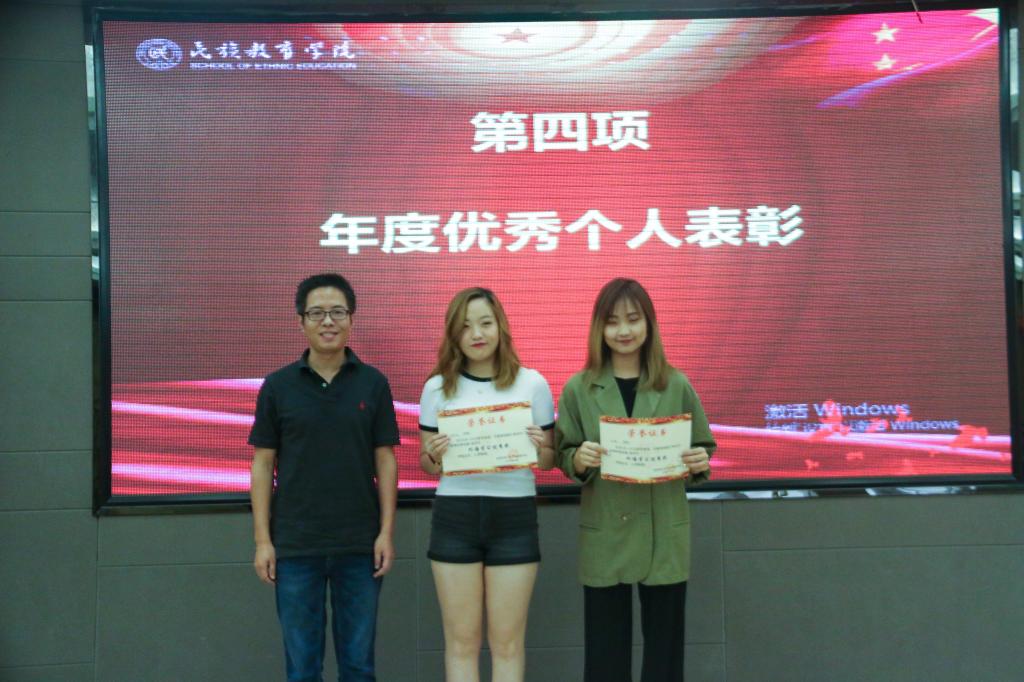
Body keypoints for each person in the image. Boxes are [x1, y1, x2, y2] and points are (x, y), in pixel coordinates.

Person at [555, 278, 715, 682]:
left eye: (633, 319)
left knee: (665, 654)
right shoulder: (579, 388)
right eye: (612, 321)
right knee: (605, 654)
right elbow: (563, 452)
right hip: (606, 531)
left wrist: (698, 460)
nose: (623, 330)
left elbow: (702, 445)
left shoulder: (675, 383)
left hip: (663, 530)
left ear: (649, 324)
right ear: (599, 328)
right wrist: (578, 459)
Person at [249, 273, 399, 682]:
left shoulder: (373, 383)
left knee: (359, 667)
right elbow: (262, 464)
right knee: (302, 669)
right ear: (301, 322)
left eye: (337, 312)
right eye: (316, 313)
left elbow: (385, 460)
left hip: (360, 545)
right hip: (295, 545)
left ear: (351, 319)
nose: (328, 321)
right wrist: (263, 541)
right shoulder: (278, 386)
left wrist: (386, 533)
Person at [418, 287, 556, 682]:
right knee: (461, 642)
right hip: (455, 515)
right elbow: (428, 465)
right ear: (453, 334)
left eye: (485, 323)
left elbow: (549, 461)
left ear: (500, 327)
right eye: (465, 326)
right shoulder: (437, 388)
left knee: (507, 643)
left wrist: (540, 447)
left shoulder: (532, 384)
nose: (477, 334)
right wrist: (435, 455)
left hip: (513, 515)